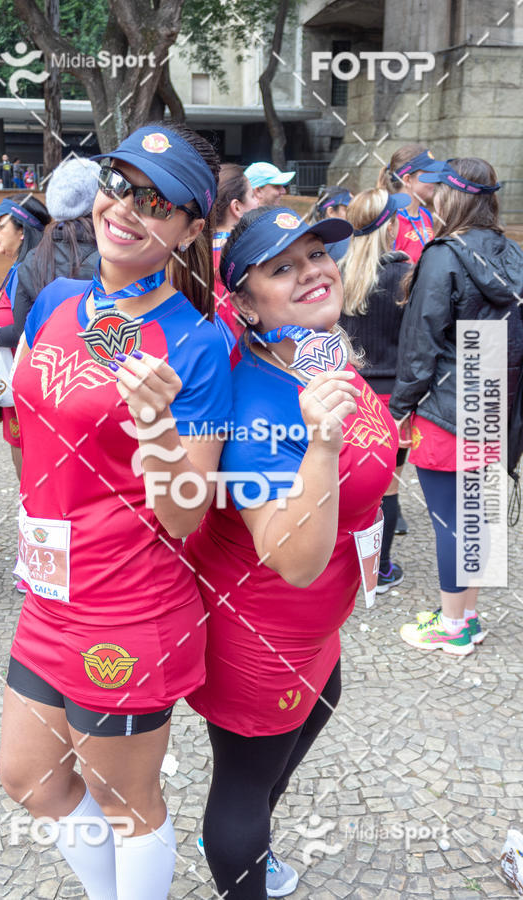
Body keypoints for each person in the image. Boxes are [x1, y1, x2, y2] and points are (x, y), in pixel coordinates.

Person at [0, 123, 232, 900]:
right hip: (48, 595)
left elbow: (186, 517)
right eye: (119, 183)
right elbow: (28, 424)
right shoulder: (57, 300)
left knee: (124, 800)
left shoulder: (195, 344)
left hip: (128, 610)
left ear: (191, 230)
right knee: (29, 778)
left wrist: (160, 431)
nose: (128, 209)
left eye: (159, 204)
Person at [185, 206, 398, 899]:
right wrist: (324, 444)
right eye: (283, 267)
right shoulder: (251, 405)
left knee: (322, 700)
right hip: (262, 626)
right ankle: (238, 860)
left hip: (317, 624)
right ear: (245, 301)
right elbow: (296, 560)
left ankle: (244, 836)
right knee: (244, 784)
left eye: (317, 255)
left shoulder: (317, 348)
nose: (313, 272)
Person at [390, 157, 523, 655]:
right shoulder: (513, 254)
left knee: (452, 518)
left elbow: (421, 343)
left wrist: (400, 406)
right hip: (493, 396)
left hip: (447, 404)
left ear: (452, 196)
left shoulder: (444, 254)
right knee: (475, 517)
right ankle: (465, 615)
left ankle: (451, 627)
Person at [339, 188, 413, 592]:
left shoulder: (336, 270)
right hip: (394, 400)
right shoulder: (405, 274)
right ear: (389, 225)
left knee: (348, 482)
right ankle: (378, 571)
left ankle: (347, 566)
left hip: (350, 395)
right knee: (388, 486)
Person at [0, 195, 49, 478]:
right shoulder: (20, 268)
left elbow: (22, 331)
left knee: (26, 450)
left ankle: (32, 512)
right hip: (17, 376)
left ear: (22, 231)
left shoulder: (26, 271)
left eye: (0, 225)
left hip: (24, 379)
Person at [0, 157, 100, 352]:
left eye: (1, 226)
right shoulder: (118, 256)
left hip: (46, 371)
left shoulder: (31, 262)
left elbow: (22, 332)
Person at [212, 163, 259, 339]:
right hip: (244, 354)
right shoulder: (249, 256)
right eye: (253, 195)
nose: (258, 202)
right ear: (237, 207)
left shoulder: (188, 252)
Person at [377, 144, 442, 265]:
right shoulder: (389, 219)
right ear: (407, 180)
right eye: (428, 174)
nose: (434, 179)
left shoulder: (425, 215)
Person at [313, 186, 354, 263]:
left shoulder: (307, 240)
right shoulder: (344, 242)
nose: (354, 214)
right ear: (331, 212)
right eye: (348, 209)